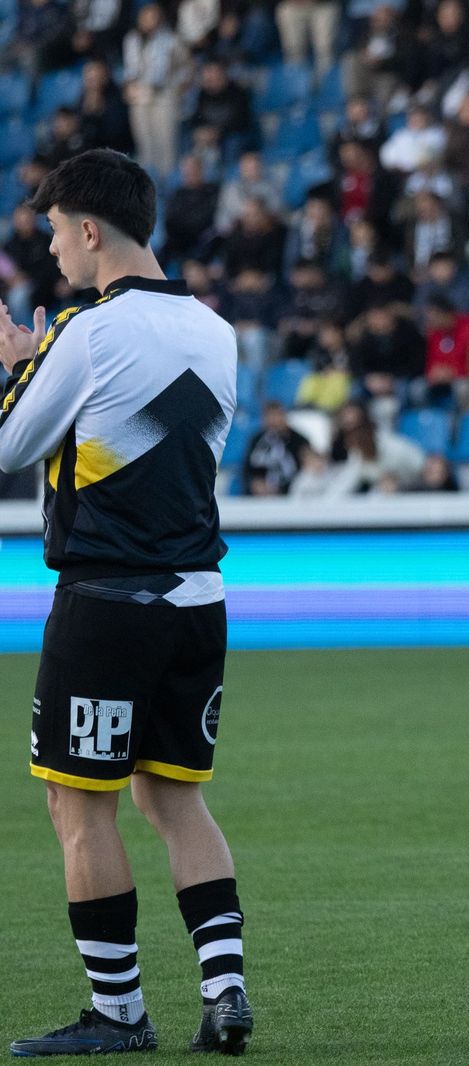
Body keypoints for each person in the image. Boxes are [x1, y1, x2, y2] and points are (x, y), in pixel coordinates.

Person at [0, 149, 252, 1056]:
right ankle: (225, 992)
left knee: (80, 805)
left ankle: (118, 1012)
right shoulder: (217, 330)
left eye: (58, 229)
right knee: (175, 799)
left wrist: (24, 363)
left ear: (92, 228)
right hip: (198, 598)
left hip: (107, 600)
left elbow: (10, 443)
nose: (56, 248)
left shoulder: (87, 332)